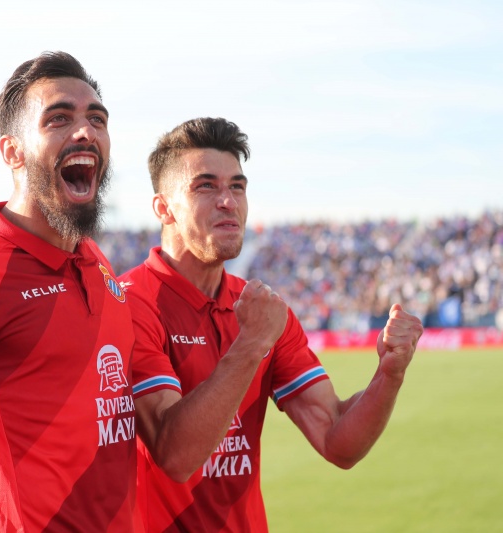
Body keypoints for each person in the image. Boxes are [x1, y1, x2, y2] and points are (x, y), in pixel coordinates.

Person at [0, 54, 285, 533]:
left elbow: (171, 446)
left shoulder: (98, 267)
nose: (85, 131)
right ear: (12, 151)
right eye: (59, 118)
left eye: (97, 119)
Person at [123, 117, 424, 532]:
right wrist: (251, 344)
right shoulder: (129, 303)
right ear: (163, 208)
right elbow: (175, 456)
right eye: (206, 186)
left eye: (237, 186)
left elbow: (337, 440)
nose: (228, 201)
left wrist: (389, 375)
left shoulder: (262, 309)